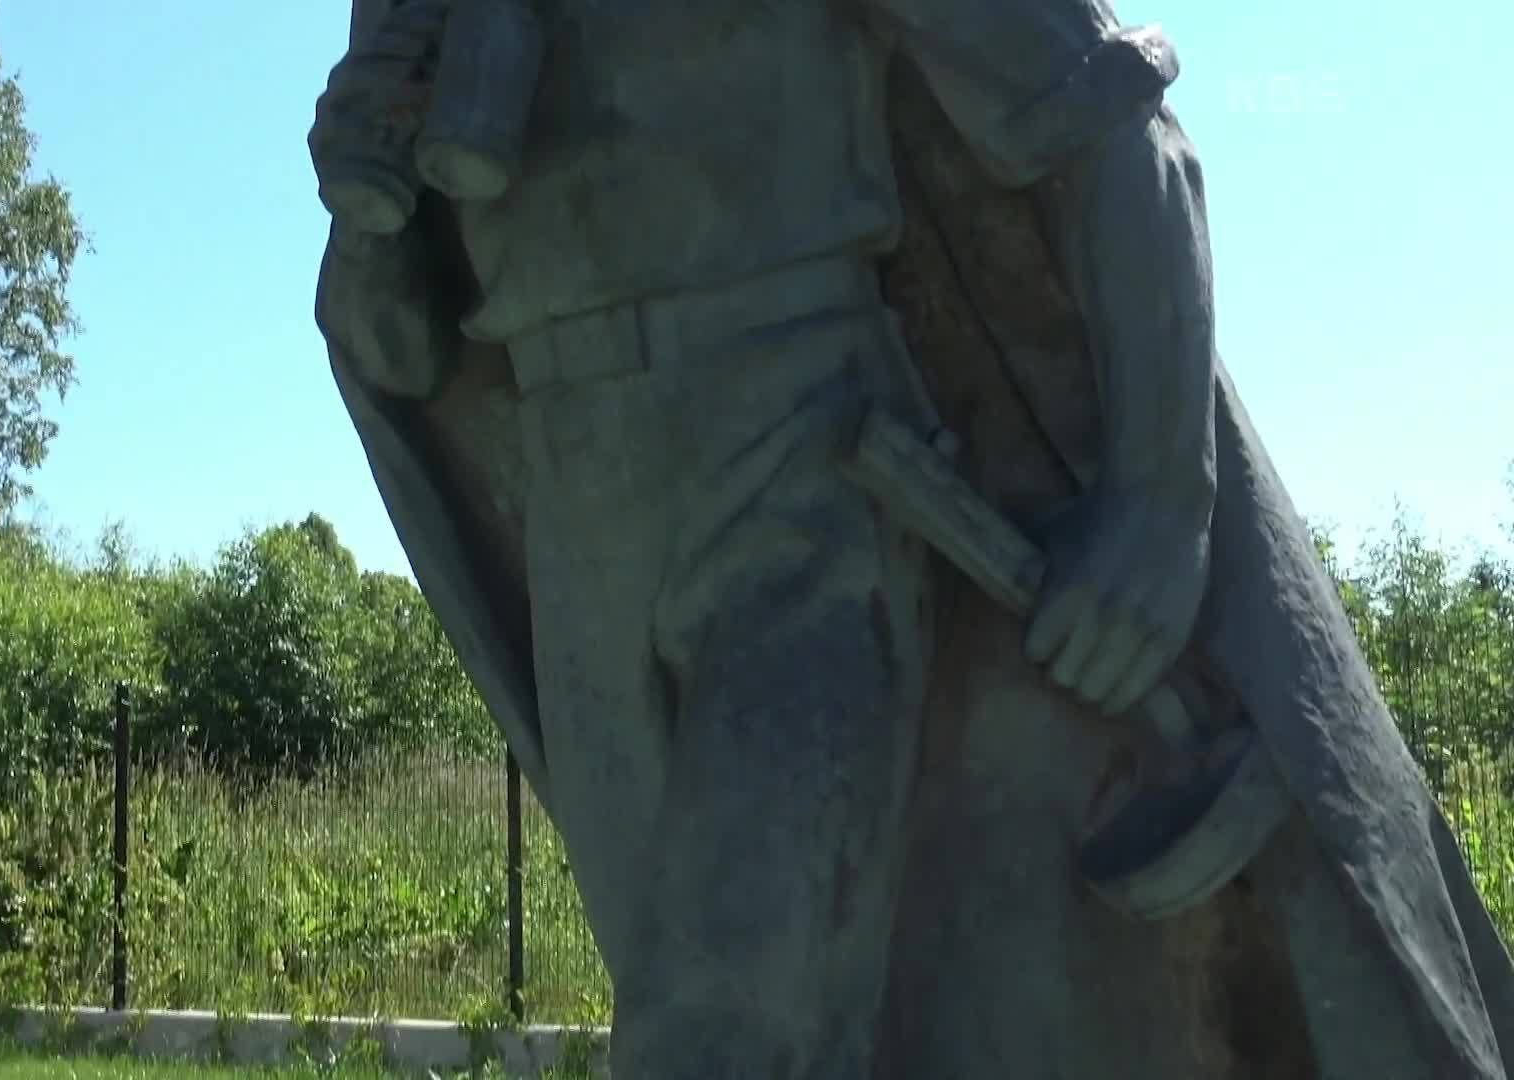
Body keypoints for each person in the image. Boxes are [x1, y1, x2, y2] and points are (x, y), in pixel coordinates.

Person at [309, 1, 1514, 1075]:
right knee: (712, 1006)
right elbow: (405, 351)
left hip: (799, 490)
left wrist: (1160, 501)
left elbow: (1115, 120)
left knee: (723, 1022)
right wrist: (370, 227)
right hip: (582, 533)